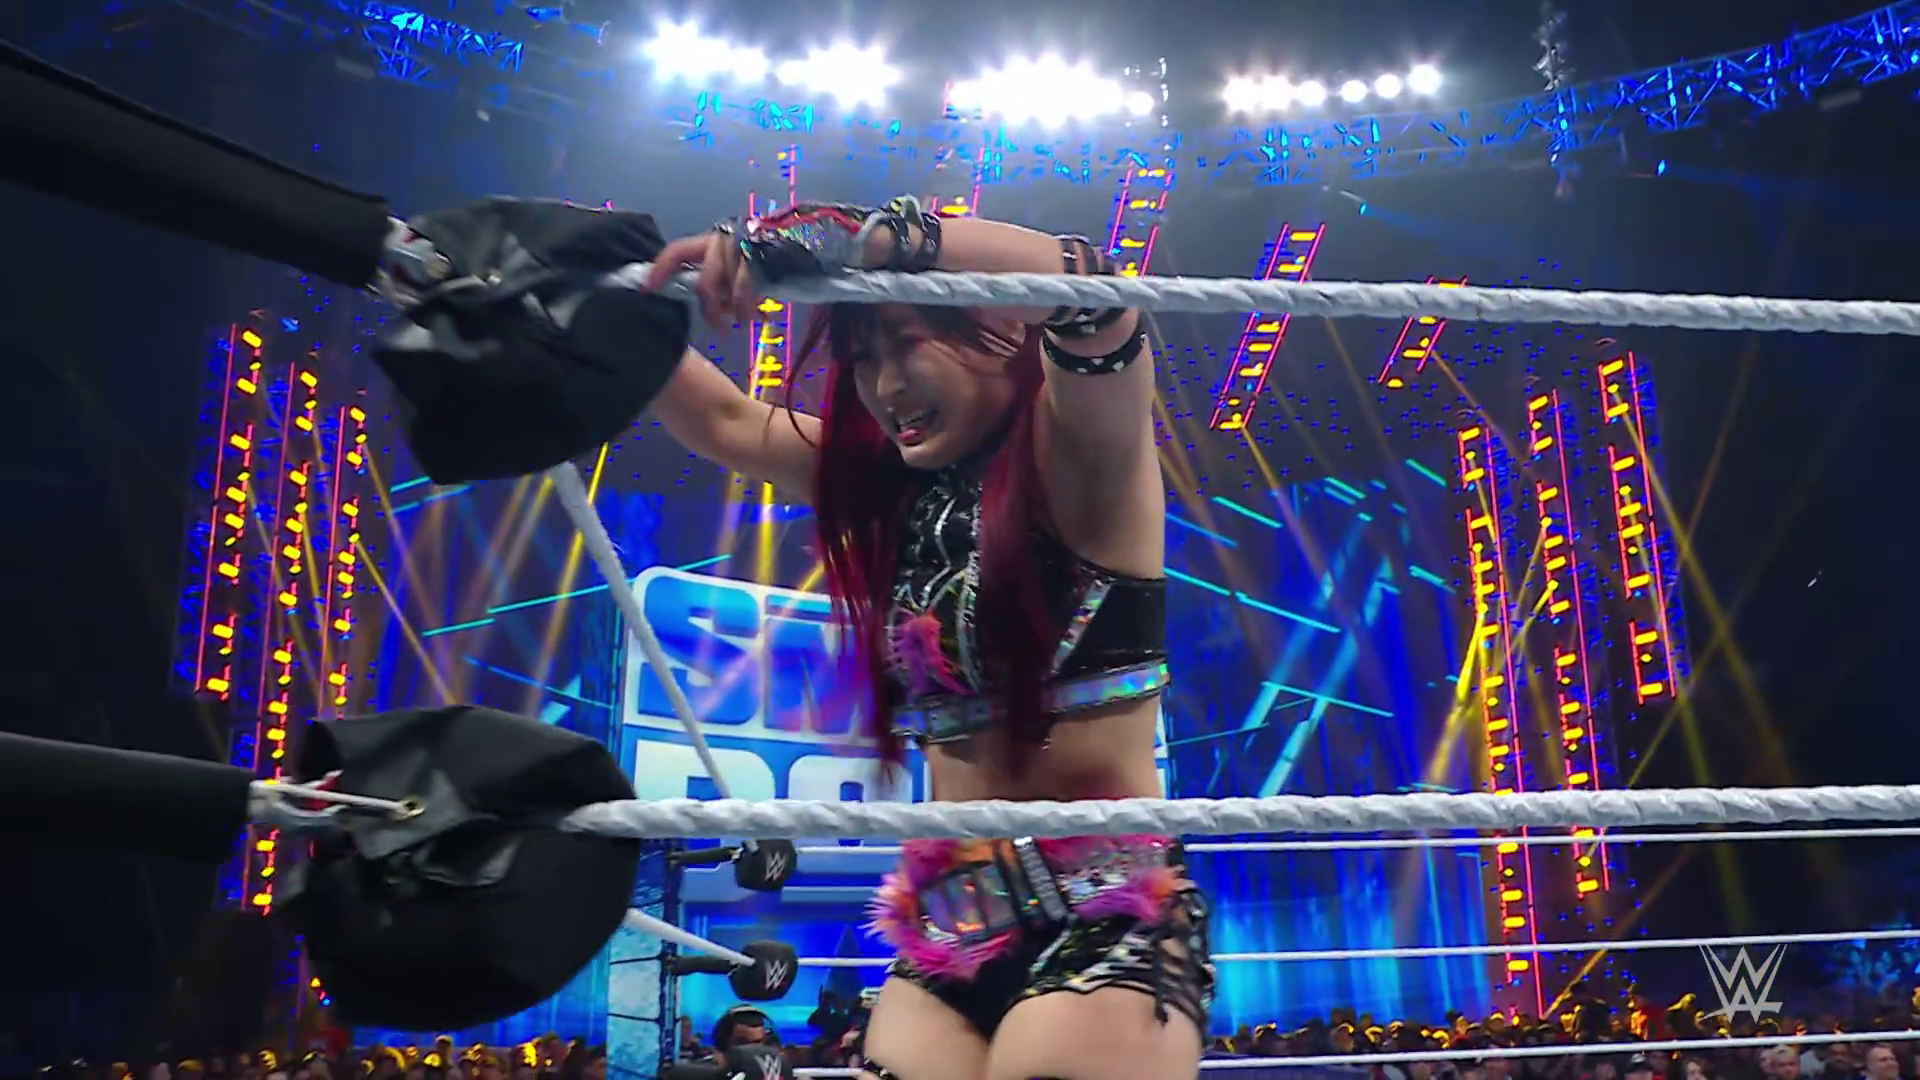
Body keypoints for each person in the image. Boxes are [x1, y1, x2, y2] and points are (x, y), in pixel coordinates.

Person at [641, 196, 1210, 1080]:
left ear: (1002, 327)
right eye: (864, 359)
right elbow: (725, 422)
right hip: (951, 921)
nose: (886, 387)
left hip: (1106, 906)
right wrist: (609, 307)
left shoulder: (1083, 458)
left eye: (907, 344)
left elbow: (1099, 297)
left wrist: (875, 242)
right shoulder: (885, 488)